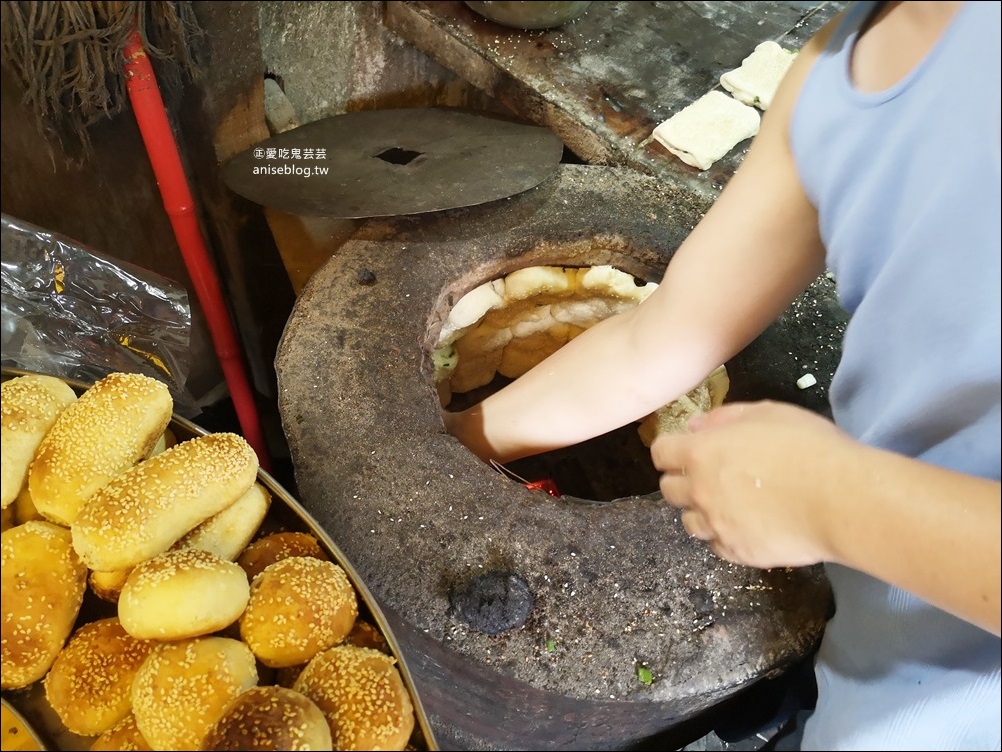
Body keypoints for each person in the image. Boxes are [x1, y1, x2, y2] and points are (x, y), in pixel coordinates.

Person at [444, 1, 1001, 749]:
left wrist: (837, 503)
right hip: (875, 678)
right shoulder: (841, 67)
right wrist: (452, 447)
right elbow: (661, 338)